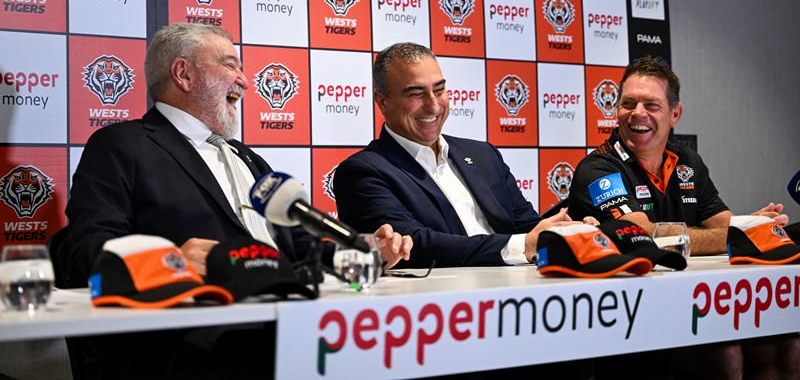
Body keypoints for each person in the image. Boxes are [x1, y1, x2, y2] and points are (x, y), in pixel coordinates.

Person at [65, 23, 411, 378]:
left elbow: (300, 248)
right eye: (231, 66)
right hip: (200, 346)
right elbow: (84, 252)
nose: (245, 81)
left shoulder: (247, 158)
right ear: (183, 74)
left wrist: (361, 254)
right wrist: (172, 263)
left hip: (291, 327)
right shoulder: (122, 145)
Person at [567, 55, 799, 380]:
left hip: (689, 301)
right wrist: (738, 233)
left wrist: (748, 226)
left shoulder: (688, 160)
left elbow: (721, 223)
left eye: (651, 105)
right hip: (625, 315)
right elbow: (641, 233)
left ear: (675, 113)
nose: (637, 113)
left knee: (785, 343)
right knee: (726, 354)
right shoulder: (598, 167)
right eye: (628, 103)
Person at [334, 42, 582, 269]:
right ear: (382, 102)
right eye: (416, 94)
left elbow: (525, 227)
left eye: (439, 90)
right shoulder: (362, 172)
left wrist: (562, 230)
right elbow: (414, 246)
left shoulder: (483, 154)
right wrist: (524, 245)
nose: (433, 105)